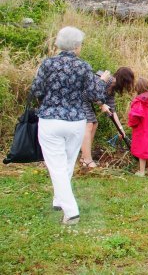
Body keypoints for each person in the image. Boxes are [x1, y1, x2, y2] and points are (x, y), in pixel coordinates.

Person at [31, 26, 109, 225]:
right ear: (76, 46)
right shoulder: (83, 66)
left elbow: (36, 90)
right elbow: (95, 94)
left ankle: (70, 209)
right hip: (76, 120)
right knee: (66, 162)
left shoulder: (48, 64)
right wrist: (102, 81)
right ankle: (61, 201)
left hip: (50, 118)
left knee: (56, 165)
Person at [79, 67, 135, 169]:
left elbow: (112, 110)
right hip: (81, 98)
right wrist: (101, 104)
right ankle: (87, 160)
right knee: (89, 124)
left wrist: (121, 130)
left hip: (87, 100)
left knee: (94, 124)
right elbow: (91, 92)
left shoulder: (112, 88)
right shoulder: (107, 80)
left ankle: (84, 157)